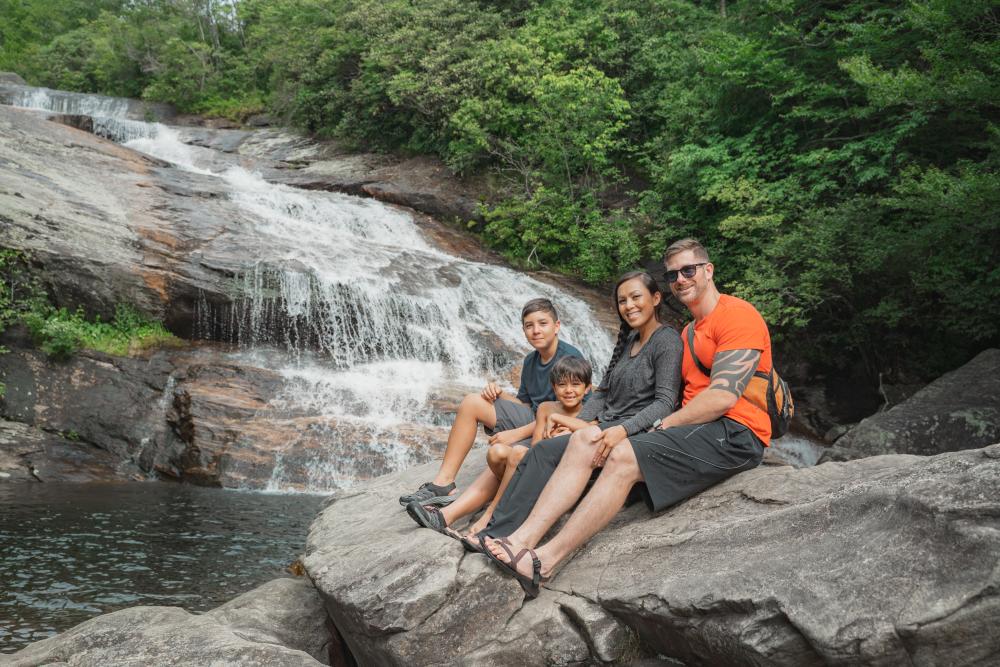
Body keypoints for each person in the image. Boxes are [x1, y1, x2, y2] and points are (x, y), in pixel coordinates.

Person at [483, 239, 771, 597]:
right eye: (673, 274)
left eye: (689, 270)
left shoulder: (736, 315)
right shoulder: (689, 331)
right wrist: (594, 425)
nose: (681, 279)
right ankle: (520, 539)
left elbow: (722, 397)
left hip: (734, 431)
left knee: (622, 453)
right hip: (697, 430)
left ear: (708, 270)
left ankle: (544, 561)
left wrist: (658, 427)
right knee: (586, 438)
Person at [479, 271, 683, 548]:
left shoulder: (667, 340)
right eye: (622, 301)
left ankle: (501, 534)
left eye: (636, 297)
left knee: (541, 453)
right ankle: (496, 531)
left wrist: (619, 429)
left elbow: (665, 402)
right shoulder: (629, 343)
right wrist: (575, 423)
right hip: (598, 426)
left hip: (626, 432)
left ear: (656, 298)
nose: (629, 305)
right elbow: (603, 393)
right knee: (539, 450)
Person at [399, 298, 583, 507]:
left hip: (555, 429)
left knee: (500, 447)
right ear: (523, 330)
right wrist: (500, 394)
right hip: (533, 420)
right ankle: (443, 483)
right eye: (529, 326)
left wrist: (516, 434)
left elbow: (574, 413)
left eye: (543, 323)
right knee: (472, 402)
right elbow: (524, 405)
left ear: (556, 326)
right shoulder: (531, 360)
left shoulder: (570, 359)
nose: (536, 331)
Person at [405, 356, 593, 547]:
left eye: (575, 384)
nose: (569, 390)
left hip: (556, 470)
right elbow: (536, 442)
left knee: (518, 452)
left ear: (587, 388)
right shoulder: (545, 403)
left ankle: (489, 517)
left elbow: (590, 433)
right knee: (503, 453)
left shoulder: (588, 413)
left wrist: (565, 428)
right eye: (562, 384)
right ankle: (455, 508)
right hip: (538, 456)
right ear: (554, 387)